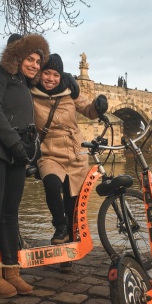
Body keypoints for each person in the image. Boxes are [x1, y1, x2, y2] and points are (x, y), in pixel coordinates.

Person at [0, 33, 49, 298]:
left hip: (16, 156)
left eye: (38, 61)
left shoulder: (24, 85)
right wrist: (16, 143)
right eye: (30, 58)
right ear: (16, 56)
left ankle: (12, 271)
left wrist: (30, 148)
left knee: (11, 214)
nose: (35, 65)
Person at [31, 53, 108, 273]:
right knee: (52, 185)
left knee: (73, 206)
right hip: (50, 152)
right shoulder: (30, 93)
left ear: (61, 76)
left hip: (75, 153)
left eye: (55, 74)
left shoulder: (69, 92)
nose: (51, 78)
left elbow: (90, 110)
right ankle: (59, 226)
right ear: (40, 73)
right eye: (47, 73)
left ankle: (67, 254)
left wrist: (100, 103)